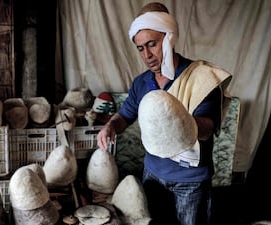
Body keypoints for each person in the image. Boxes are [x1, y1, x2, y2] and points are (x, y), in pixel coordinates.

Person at [97, 2, 232, 225]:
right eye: (140, 48)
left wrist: (176, 120)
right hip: (152, 174)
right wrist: (111, 125)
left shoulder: (201, 78)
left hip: (190, 181)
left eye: (152, 44)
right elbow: (125, 115)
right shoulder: (141, 82)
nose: (147, 54)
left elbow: (208, 128)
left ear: (168, 39)